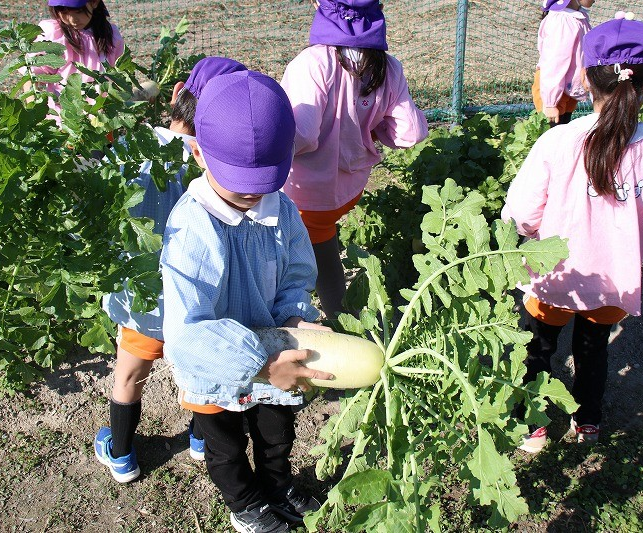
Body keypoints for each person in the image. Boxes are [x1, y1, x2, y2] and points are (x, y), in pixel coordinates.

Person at [160, 70, 334, 532]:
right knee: (226, 449)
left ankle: (278, 486)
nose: (254, 196)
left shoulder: (283, 210)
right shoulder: (191, 228)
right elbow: (185, 336)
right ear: (198, 151)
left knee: (277, 435)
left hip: (276, 352)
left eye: (267, 183)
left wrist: (296, 316)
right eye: (241, 187)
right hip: (216, 369)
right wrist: (261, 362)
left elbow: (296, 275)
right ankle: (245, 503)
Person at [502, 12, 643, 452]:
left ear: (584, 77)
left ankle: (532, 425)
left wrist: (535, 231)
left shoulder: (559, 142)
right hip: (614, 279)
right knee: (593, 352)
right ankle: (587, 421)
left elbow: (521, 213)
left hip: (554, 275)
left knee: (537, 351)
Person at [93, 57, 248, 483]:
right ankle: (201, 442)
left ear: (178, 93)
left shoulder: (130, 150)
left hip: (144, 301)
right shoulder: (220, 168)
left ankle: (121, 454)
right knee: (200, 375)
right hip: (200, 302)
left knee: (129, 375)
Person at [280, 0, 428, 318]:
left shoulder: (313, 63)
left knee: (294, 260)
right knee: (322, 245)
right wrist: (369, 127)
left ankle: (320, 323)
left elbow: (301, 135)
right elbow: (410, 133)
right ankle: (341, 318)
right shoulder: (387, 66)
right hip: (347, 192)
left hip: (306, 197)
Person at [27, 0, 124, 119]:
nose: (72, 19)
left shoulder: (110, 36)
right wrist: (32, 110)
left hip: (102, 114)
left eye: (78, 11)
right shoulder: (54, 36)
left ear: (94, 2)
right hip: (64, 116)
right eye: (64, 12)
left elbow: (117, 73)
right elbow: (31, 76)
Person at [533, 0, 595, 126]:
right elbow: (554, 63)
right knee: (552, 136)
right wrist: (550, 102)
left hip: (567, 88)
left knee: (563, 133)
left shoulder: (577, 17)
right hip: (555, 91)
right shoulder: (561, 22)